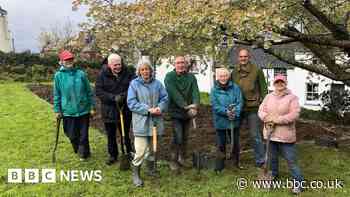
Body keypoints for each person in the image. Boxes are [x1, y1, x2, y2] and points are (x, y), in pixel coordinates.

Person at [258, 74, 304, 194]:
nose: (279, 84)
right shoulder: (268, 97)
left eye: (281, 82)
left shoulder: (292, 98)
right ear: (274, 84)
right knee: (272, 159)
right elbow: (261, 111)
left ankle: (298, 183)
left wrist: (278, 120)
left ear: (285, 83)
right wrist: (267, 118)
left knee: (291, 160)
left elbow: (295, 114)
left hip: (286, 136)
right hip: (270, 134)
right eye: (277, 82)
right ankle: (273, 176)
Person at [127, 59, 168, 187]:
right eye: (142, 69)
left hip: (155, 121)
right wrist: (147, 110)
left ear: (151, 70)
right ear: (139, 71)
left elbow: (165, 98)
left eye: (147, 69)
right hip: (141, 122)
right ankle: (136, 174)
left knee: (152, 149)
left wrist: (160, 108)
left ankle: (150, 169)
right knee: (140, 150)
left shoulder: (158, 84)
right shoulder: (134, 84)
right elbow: (131, 103)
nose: (145, 71)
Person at [53, 50, 95, 160]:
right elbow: (57, 94)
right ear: (61, 62)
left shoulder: (81, 74)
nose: (69, 61)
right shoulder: (58, 76)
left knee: (83, 135)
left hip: (83, 109)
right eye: (66, 60)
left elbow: (89, 91)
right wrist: (57, 110)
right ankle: (79, 148)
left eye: (71, 59)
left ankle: (84, 153)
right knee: (71, 134)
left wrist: (91, 107)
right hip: (68, 111)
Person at [95, 53, 135, 165]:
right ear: (109, 65)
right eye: (115, 65)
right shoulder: (102, 75)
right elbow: (99, 91)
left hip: (124, 109)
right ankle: (113, 155)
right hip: (109, 110)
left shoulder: (128, 73)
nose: (118, 67)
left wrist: (123, 96)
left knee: (125, 133)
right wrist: (113, 98)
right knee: (111, 134)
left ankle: (128, 152)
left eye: (120, 64)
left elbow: (133, 86)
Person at [231, 48, 267, 168]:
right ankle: (235, 159)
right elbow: (230, 88)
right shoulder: (234, 72)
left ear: (249, 57)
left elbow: (264, 89)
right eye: (241, 57)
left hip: (253, 108)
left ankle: (261, 160)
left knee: (254, 134)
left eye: (245, 56)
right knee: (234, 133)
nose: (243, 59)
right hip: (238, 107)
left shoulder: (257, 70)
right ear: (238, 58)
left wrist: (265, 104)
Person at [210, 67, 243, 168]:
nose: (223, 78)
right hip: (220, 121)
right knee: (221, 143)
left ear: (228, 76)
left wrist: (235, 112)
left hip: (234, 120)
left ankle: (235, 162)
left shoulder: (235, 88)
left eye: (225, 76)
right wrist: (226, 112)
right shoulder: (214, 90)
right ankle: (220, 164)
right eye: (221, 76)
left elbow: (240, 102)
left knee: (235, 142)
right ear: (217, 77)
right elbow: (215, 105)